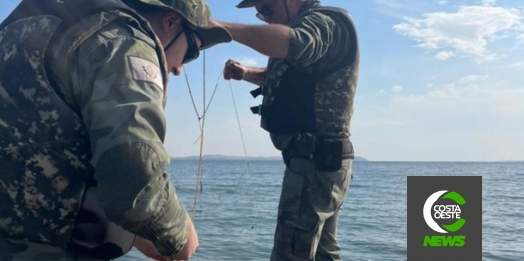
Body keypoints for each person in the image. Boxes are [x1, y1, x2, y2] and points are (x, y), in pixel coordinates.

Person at [0, 0, 231, 260]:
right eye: (192, 52)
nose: (179, 69)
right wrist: (179, 238)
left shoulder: (18, 30)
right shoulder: (122, 41)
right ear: (170, 22)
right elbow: (133, 176)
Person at [211, 0, 359, 260]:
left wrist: (218, 26)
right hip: (321, 163)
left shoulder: (323, 23)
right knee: (324, 253)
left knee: (290, 254)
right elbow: (281, 75)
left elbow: (295, 42)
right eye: (260, 13)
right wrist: (245, 73)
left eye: (267, 8)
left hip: (315, 164)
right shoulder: (316, 31)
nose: (265, 18)